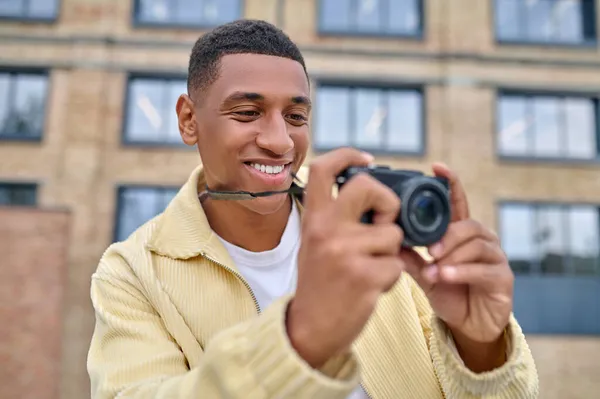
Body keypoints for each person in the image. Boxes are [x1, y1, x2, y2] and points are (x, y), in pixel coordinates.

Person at [87, 19, 538, 399]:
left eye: (296, 117)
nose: (281, 141)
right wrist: (302, 339)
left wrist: (481, 345)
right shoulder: (130, 271)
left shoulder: (386, 230)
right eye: (247, 112)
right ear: (189, 119)